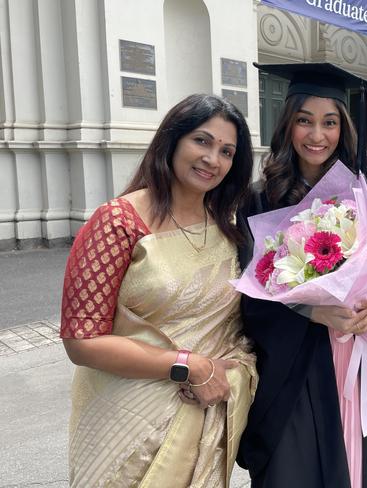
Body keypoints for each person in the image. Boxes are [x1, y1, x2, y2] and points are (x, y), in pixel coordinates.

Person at [59, 94, 257, 488]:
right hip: (126, 421)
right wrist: (189, 365)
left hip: (203, 416)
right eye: (201, 141)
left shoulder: (227, 228)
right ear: (172, 140)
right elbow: (80, 341)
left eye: (226, 151)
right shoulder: (118, 222)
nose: (212, 159)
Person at [237, 63, 367, 488]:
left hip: (359, 354)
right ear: (288, 125)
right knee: (295, 470)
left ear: (343, 128)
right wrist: (312, 312)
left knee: (361, 466)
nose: (317, 135)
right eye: (304, 121)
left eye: (329, 123)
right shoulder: (261, 197)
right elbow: (248, 294)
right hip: (295, 362)